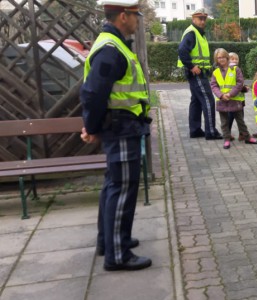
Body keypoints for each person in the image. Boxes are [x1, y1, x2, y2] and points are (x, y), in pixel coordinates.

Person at [80, 0, 152, 271]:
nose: (138, 20)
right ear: (124, 15)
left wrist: (94, 126)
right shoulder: (111, 49)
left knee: (115, 185)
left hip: (122, 127)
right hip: (121, 128)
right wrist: (93, 127)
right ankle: (117, 255)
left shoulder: (114, 44)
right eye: (135, 16)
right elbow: (93, 93)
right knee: (122, 189)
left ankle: (110, 240)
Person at [178, 8, 222, 140]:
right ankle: (211, 132)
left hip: (198, 72)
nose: (202, 21)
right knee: (208, 100)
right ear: (193, 19)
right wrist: (191, 66)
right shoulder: (192, 33)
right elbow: (182, 51)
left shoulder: (198, 33)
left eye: (204, 19)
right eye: (200, 18)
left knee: (196, 101)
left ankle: (195, 130)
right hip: (196, 73)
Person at [210, 48, 257, 148]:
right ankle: (226, 139)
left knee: (240, 120)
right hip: (222, 100)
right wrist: (221, 95)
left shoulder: (236, 69)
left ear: (227, 57)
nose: (221, 59)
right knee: (224, 122)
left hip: (234, 99)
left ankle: (247, 137)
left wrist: (230, 94)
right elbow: (214, 85)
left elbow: (240, 83)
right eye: (219, 58)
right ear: (216, 59)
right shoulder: (216, 72)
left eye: (223, 57)